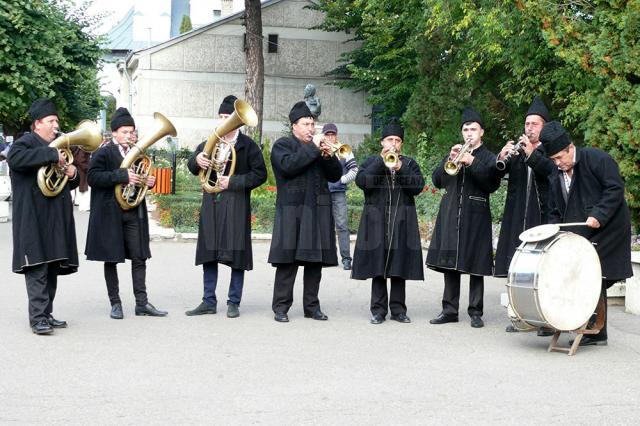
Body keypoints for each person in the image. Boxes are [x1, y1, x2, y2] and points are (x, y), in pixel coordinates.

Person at [542, 121, 633, 346]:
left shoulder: (597, 158)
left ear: (570, 148)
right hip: (580, 234)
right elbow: (554, 208)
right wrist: (553, 230)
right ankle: (593, 330)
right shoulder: (556, 174)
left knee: (593, 275)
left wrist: (599, 214)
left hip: (609, 228)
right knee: (588, 277)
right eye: (553, 160)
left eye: (560, 158)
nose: (557, 163)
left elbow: (615, 188)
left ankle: (593, 329)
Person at [185, 95, 267, 318]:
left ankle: (234, 301)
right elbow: (192, 166)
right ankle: (208, 300)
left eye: (228, 117)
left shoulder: (247, 146)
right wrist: (197, 161)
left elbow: (261, 175)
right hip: (211, 203)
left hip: (236, 203)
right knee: (209, 252)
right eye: (221, 117)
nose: (224, 121)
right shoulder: (208, 143)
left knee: (236, 253)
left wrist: (234, 182)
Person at [85, 107, 167, 319]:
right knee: (111, 258)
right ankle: (116, 303)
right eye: (124, 132)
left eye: (131, 132)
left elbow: (141, 178)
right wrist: (122, 176)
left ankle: (142, 303)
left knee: (139, 257)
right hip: (109, 213)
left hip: (132, 211)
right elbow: (93, 178)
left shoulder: (138, 154)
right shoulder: (103, 152)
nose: (129, 136)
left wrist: (149, 182)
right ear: (114, 133)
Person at [7, 98, 78, 334]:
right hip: (32, 216)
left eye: (56, 121)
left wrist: (72, 172)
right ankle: (37, 318)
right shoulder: (24, 143)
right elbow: (15, 160)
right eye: (51, 121)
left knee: (52, 267)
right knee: (37, 266)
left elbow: (69, 182)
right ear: (38, 123)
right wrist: (50, 155)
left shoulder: (58, 149)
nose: (56, 125)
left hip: (55, 217)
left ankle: (46, 313)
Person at [427, 106, 501, 328]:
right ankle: (449, 310)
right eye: (466, 129)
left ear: (482, 133)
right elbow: (438, 181)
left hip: (476, 215)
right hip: (451, 213)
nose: (469, 133)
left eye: (473, 129)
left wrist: (472, 162)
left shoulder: (488, 157)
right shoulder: (455, 153)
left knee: (476, 264)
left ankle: (475, 312)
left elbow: (492, 184)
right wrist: (448, 160)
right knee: (450, 263)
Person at [268, 101, 342, 322]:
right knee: (287, 262)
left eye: (312, 123)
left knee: (314, 262)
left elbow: (335, 175)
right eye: (306, 124)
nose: (311, 128)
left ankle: (312, 306)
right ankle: (281, 307)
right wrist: (314, 148)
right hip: (292, 212)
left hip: (317, 211)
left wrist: (328, 157)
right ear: (294, 126)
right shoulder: (282, 145)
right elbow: (289, 166)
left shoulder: (320, 149)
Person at [494, 96, 557, 335]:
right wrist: (501, 158)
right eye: (527, 124)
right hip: (516, 214)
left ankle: (545, 321)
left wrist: (533, 154)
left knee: (541, 269)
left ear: (544, 127)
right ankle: (518, 317)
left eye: (535, 124)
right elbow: (497, 175)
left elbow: (551, 173)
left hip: (540, 215)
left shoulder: (552, 150)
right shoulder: (519, 151)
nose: (529, 128)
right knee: (516, 268)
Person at [351, 122, 425, 324]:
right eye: (390, 139)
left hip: (402, 221)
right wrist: (381, 162)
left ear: (401, 144)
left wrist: (400, 167)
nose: (394, 143)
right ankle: (378, 310)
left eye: (398, 140)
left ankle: (399, 310)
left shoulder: (409, 163)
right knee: (378, 265)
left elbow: (417, 186)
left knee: (399, 266)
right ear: (382, 142)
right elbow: (362, 182)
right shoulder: (371, 162)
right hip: (376, 220)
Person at [324, 123, 358, 270]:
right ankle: (326, 257)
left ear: (336, 135)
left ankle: (346, 259)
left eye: (332, 134)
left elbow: (354, 169)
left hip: (338, 192)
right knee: (324, 226)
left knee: (342, 226)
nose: (330, 137)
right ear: (324, 135)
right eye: (328, 134)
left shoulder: (344, 149)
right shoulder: (320, 148)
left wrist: (341, 180)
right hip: (323, 193)